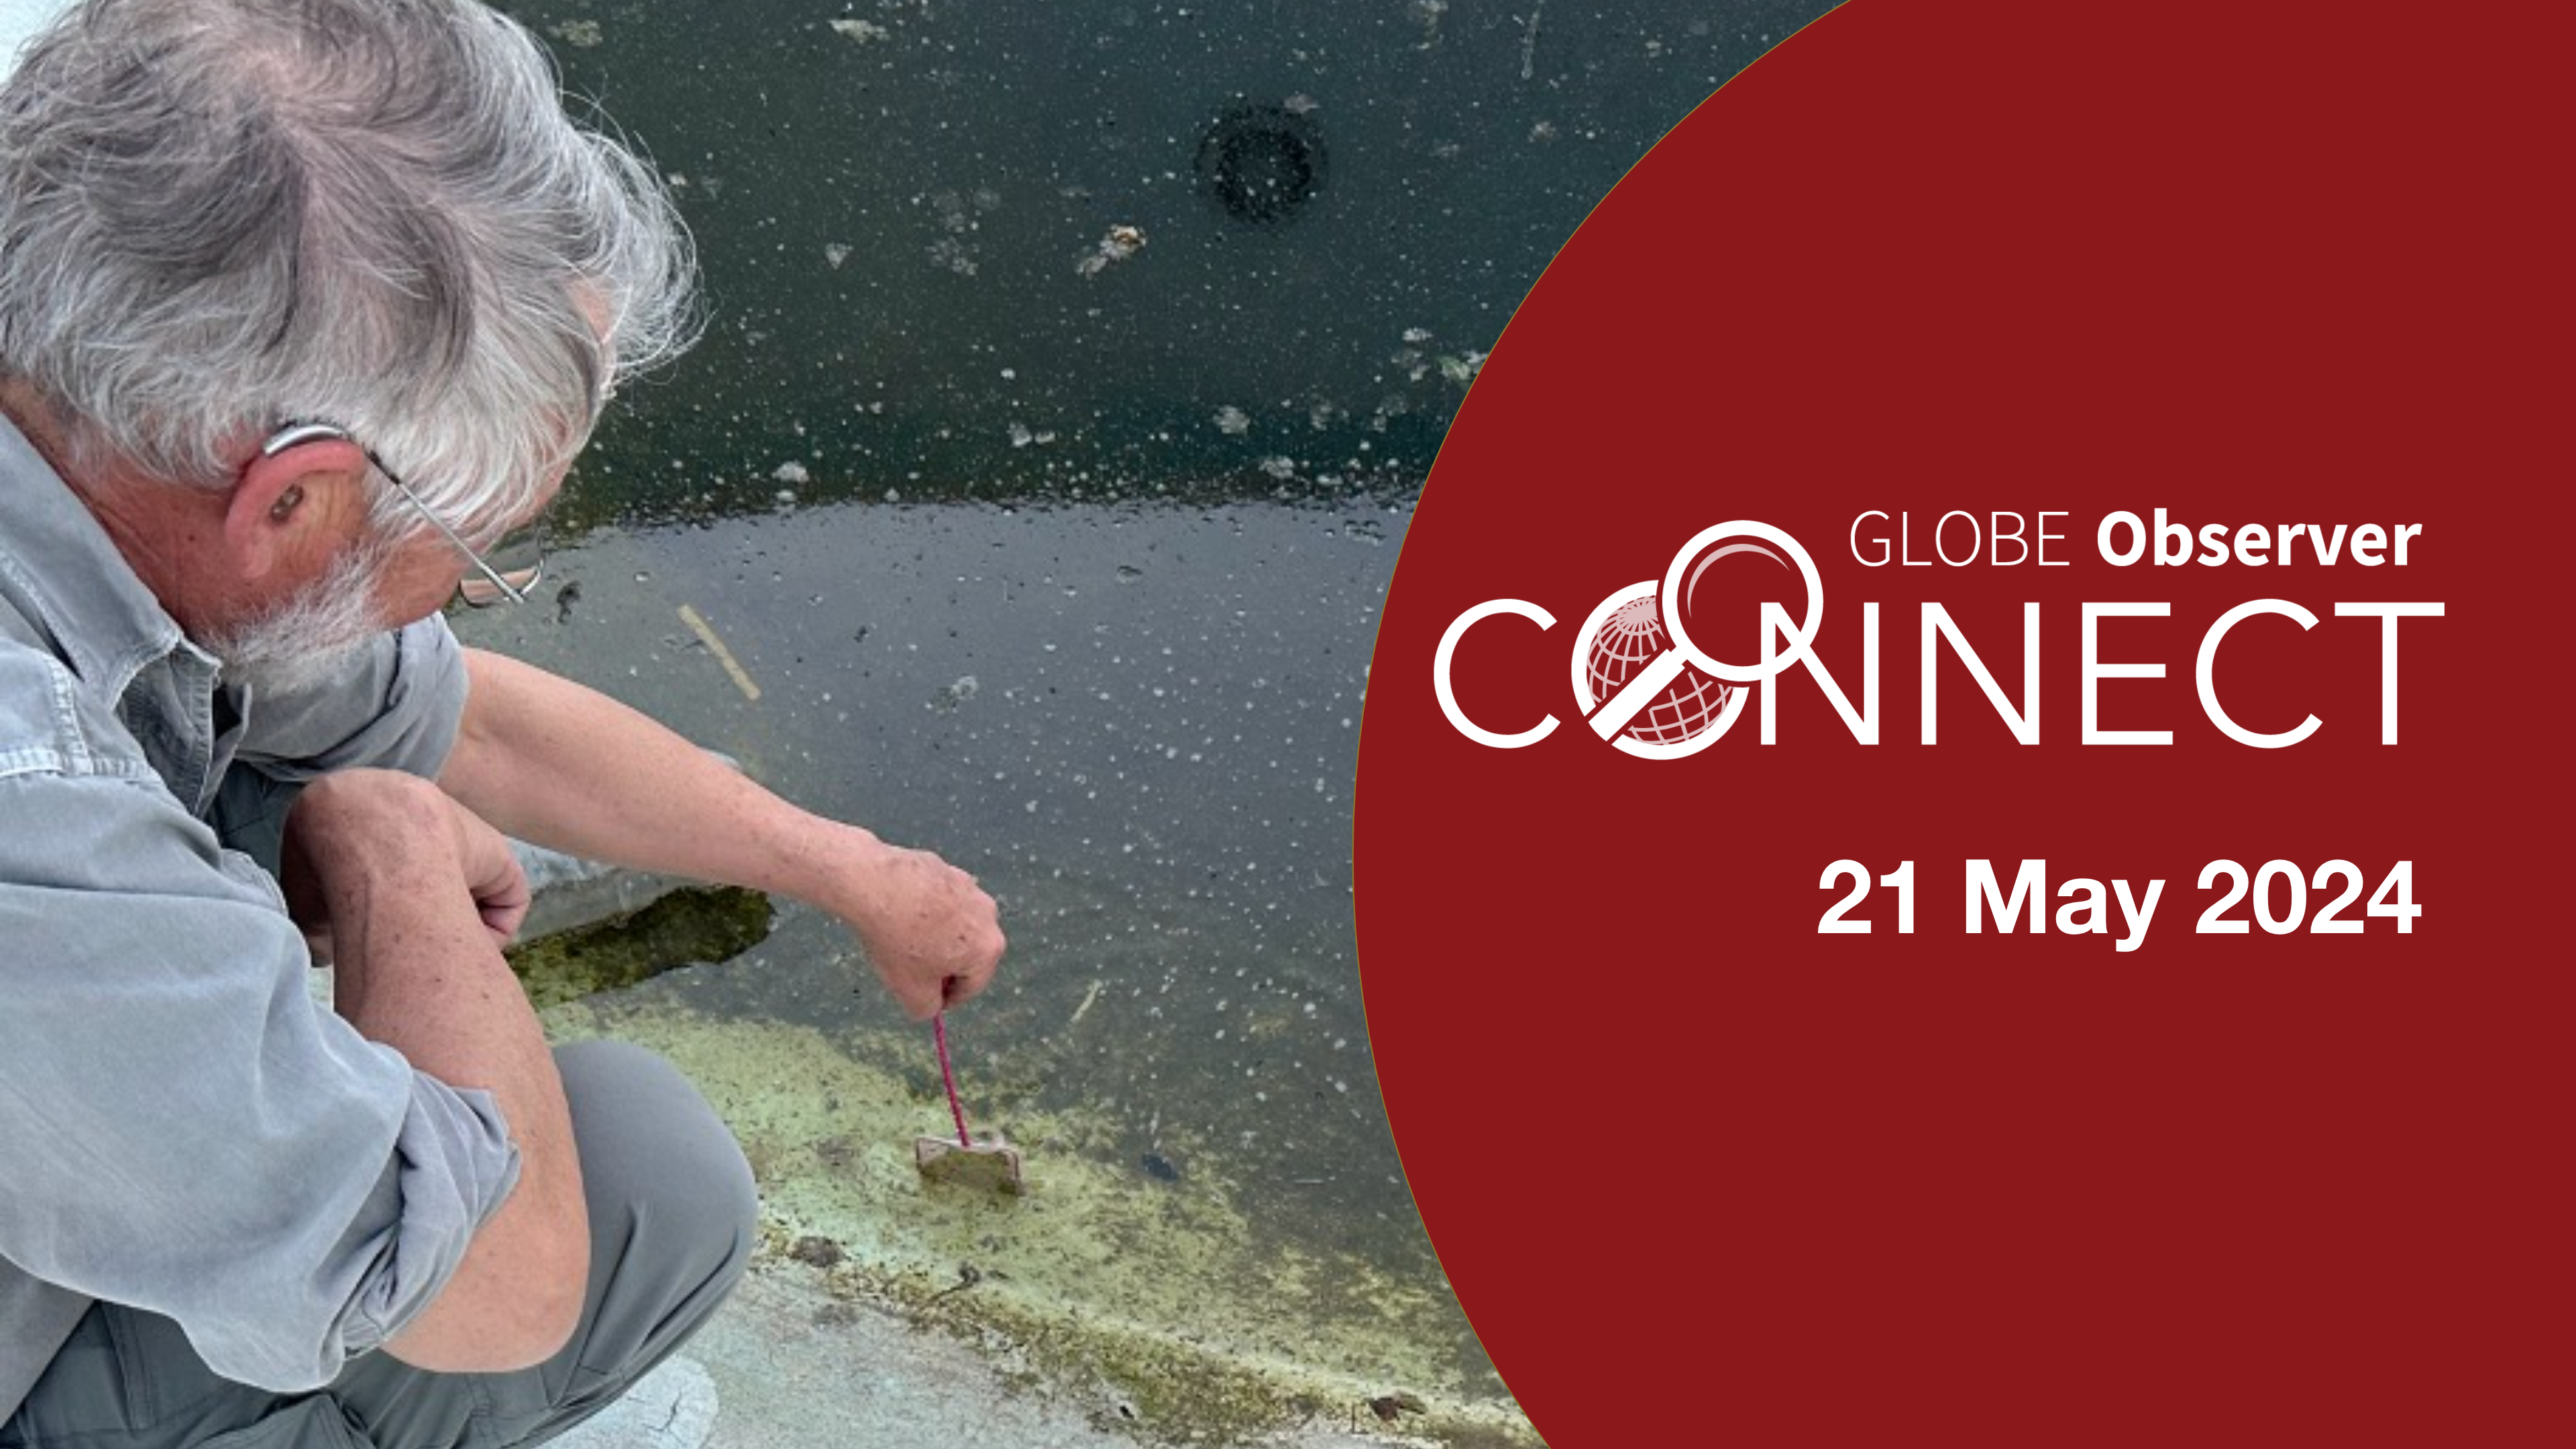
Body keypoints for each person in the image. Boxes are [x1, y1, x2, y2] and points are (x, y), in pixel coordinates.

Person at [0, 2, 1006, 1446]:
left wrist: (853, 871)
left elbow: (480, 731)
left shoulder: (98, 430)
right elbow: (497, 1288)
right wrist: (391, 851)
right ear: (288, 498)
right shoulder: (24, 801)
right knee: (640, 1194)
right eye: (475, 556)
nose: (465, 602)